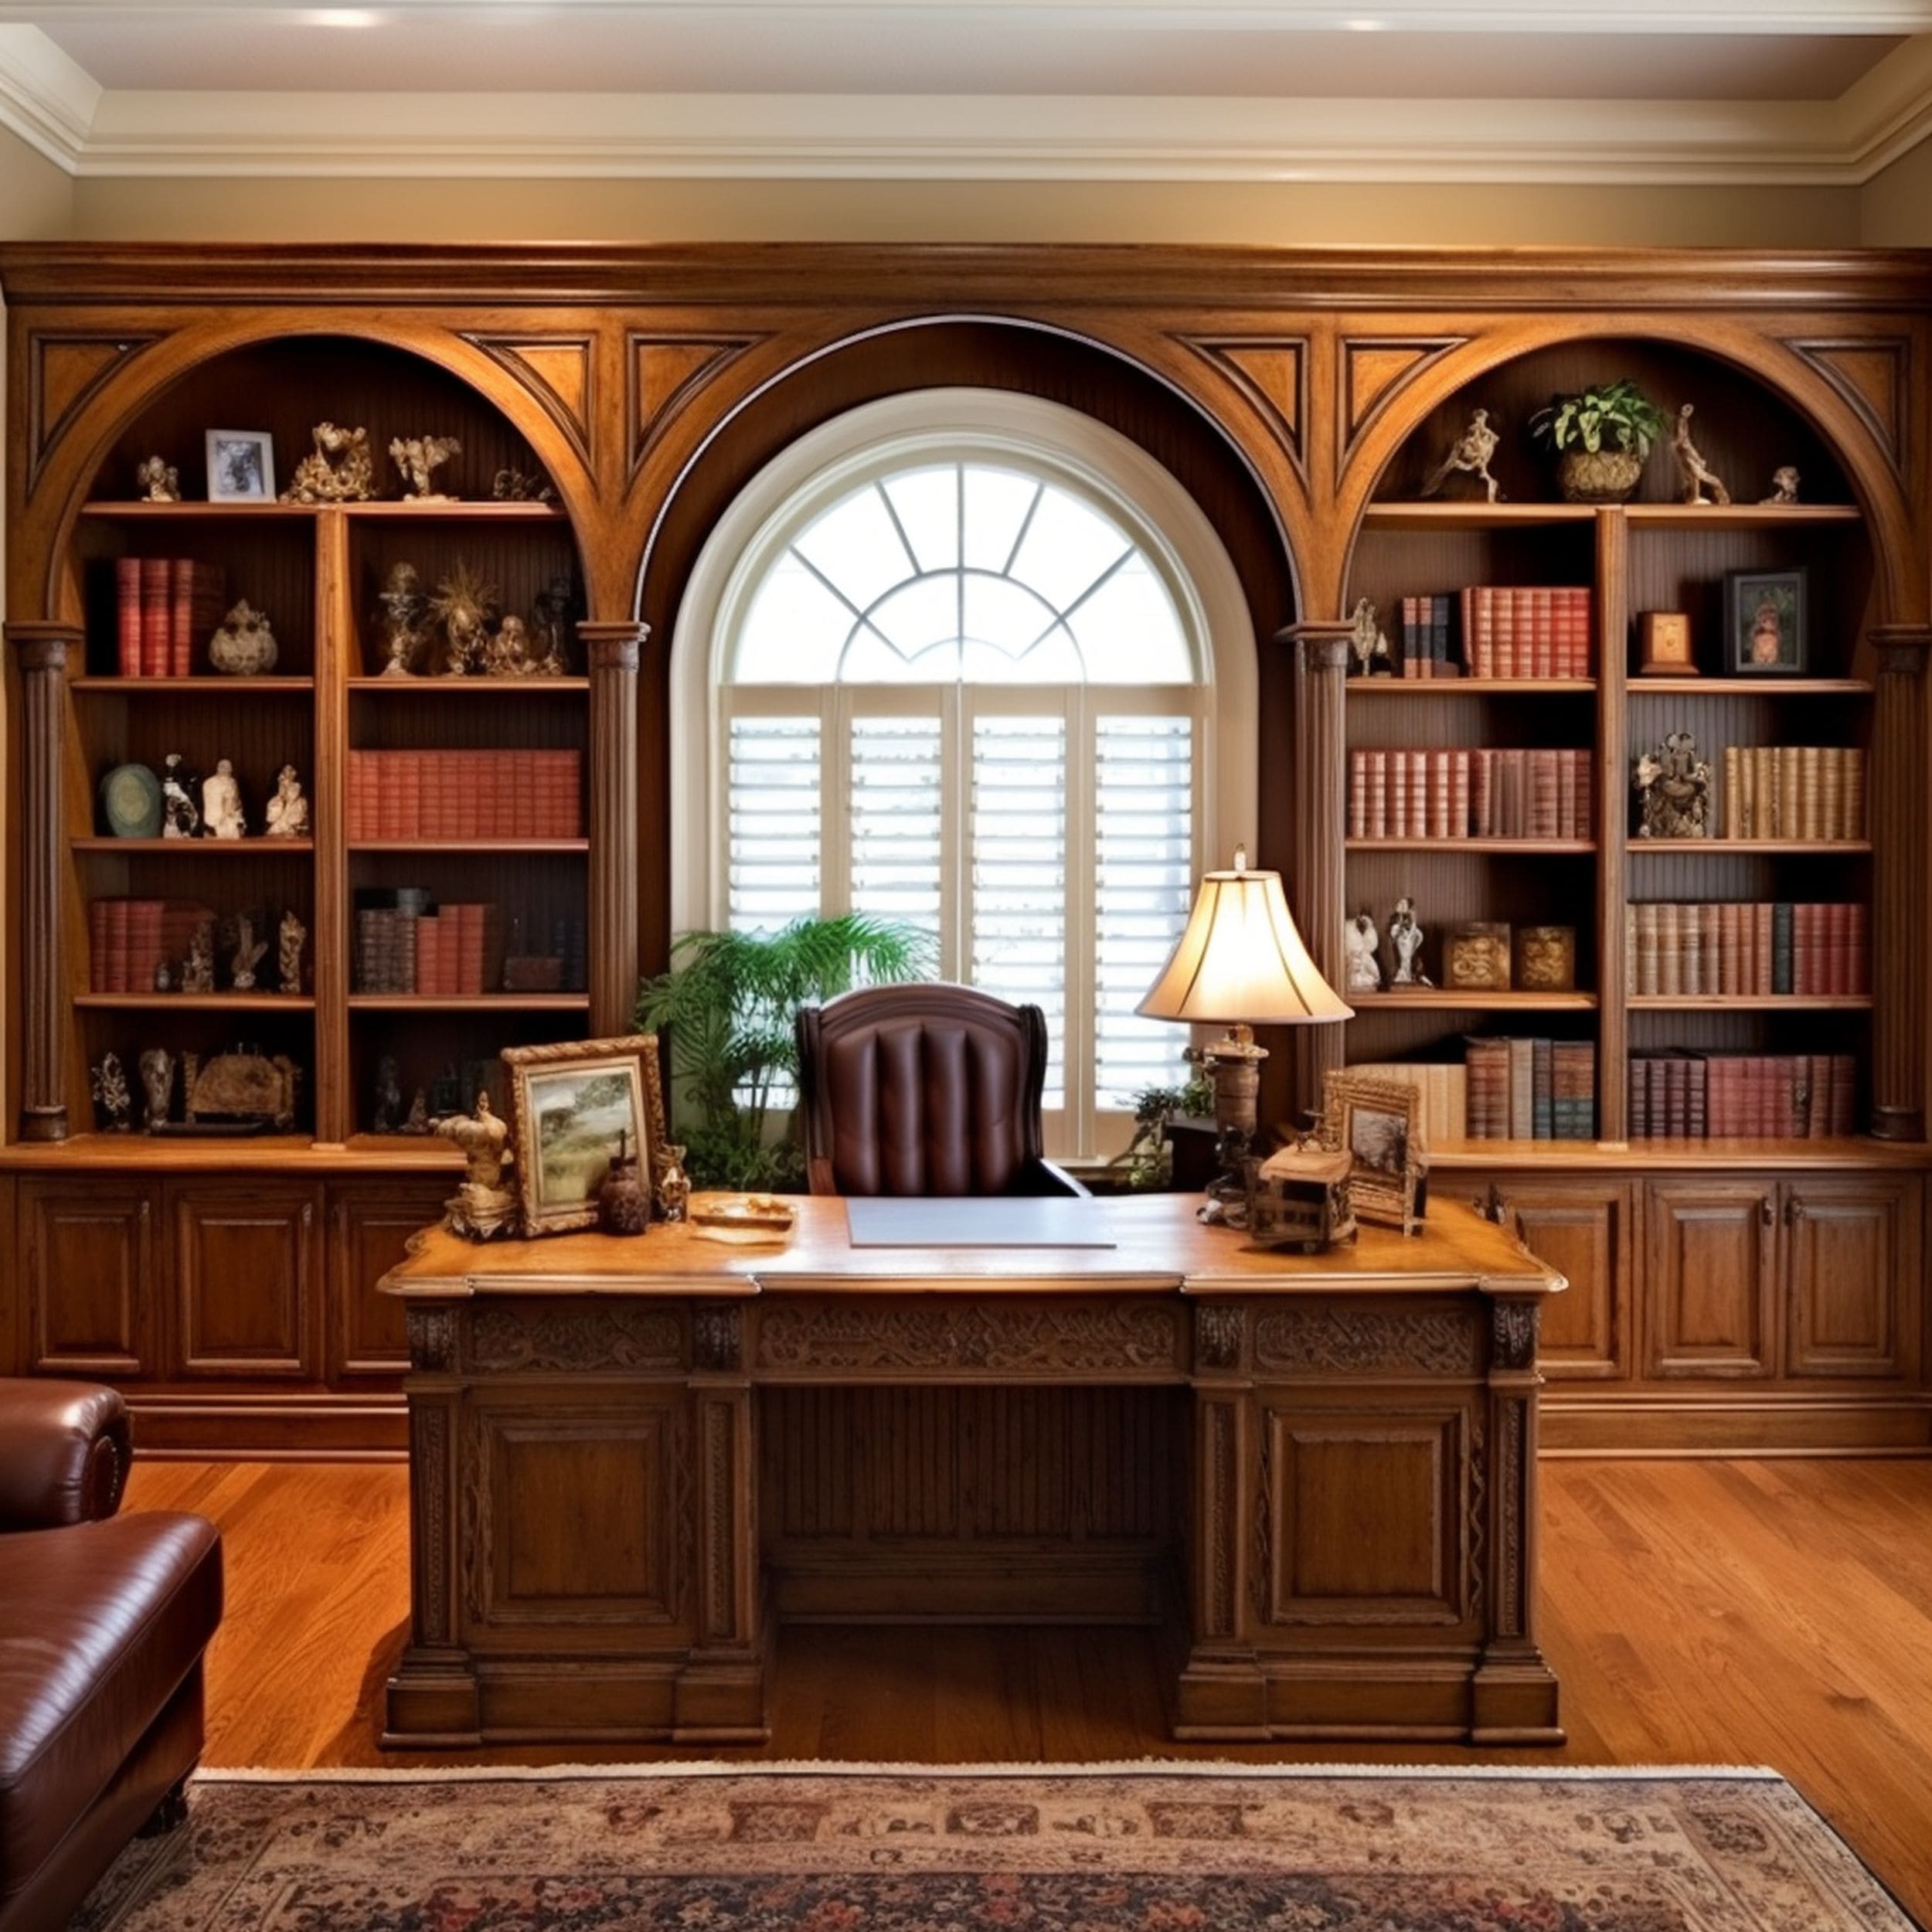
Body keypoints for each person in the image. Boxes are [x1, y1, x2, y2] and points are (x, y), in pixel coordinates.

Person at [1420, 408, 1503, 503]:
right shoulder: (1456, 473)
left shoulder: (1490, 484)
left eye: (1484, 439)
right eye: (1479, 417)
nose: (1475, 441)